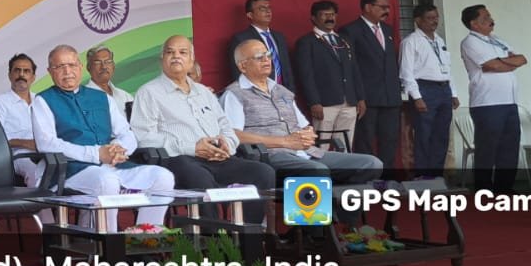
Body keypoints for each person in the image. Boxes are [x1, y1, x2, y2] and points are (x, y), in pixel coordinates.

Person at [131, 36, 276, 222]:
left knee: (263, 172)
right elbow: (143, 137)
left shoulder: (204, 92)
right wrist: (192, 147)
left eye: (183, 52)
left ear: (191, 60)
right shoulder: (148, 92)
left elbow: (226, 126)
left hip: (218, 158)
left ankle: (247, 233)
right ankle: (211, 235)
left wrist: (226, 145)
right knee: (198, 176)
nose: (176, 56)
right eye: (170, 52)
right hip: (180, 159)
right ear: (162, 59)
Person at [33, 44, 175, 229]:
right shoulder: (43, 100)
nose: (67, 72)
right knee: (107, 181)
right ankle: (108, 241)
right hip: (71, 170)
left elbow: (126, 133)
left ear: (80, 67)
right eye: (60, 66)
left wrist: (118, 150)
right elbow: (47, 143)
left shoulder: (102, 98)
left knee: (163, 177)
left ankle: (144, 236)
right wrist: (96, 154)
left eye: (72, 65)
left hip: (113, 166)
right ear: (50, 71)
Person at [219, 40, 383, 189]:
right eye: (258, 57)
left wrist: (308, 134)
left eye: (268, 55)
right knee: (316, 171)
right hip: (269, 156)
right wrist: (284, 142)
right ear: (243, 66)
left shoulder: (281, 91)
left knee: (371, 164)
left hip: (307, 153)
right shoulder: (234, 94)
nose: (266, 60)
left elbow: (304, 126)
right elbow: (233, 135)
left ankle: (341, 210)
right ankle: (313, 213)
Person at [460, 5, 527, 195]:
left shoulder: (497, 40)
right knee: (487, 148)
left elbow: (522, 59)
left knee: (510, 146)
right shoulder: (470, 42)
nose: (491, 20)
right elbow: (491, 65)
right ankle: (484, 190)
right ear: (474, 24)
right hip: (487, 103)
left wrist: (502, 61)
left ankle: (504, 188)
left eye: (490, 16)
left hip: (509, 101)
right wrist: (506, 62)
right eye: (486, 17)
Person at [341, 0, 403, 170]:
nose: (387, 11)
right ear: (368, 7)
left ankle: (387, 179)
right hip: (367, 97)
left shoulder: (387, 29)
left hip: (390, 96)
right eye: (382, 7)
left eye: (388, 7)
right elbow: (350, 67)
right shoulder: (350, 30)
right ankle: (368, 178)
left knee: (390, 140)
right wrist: (358, 96)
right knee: (365, 140)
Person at [292, 0, 363, 151]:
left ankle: (343, 167)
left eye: (332, 14)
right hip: (325, 103)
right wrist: (314, 102)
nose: (330, 18)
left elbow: (354, 70)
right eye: (325, 15)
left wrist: (360, 97)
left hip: (349, 101)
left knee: (345, 145)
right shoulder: (306, 42)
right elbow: (306, 75)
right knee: (321, 145)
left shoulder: (344, 40)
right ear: (313, 18)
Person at [400, 4, 459, 177]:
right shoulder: (411, 41)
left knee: (441, 135)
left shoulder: (439, 41)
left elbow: (447, 68)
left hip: (444, 89)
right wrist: (417, 97)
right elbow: (406, 72)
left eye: (436, 17)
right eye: (430, 18)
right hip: (424, 88)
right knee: (424, 134)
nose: (434, 21)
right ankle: (422, 175)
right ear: (418, 20)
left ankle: (436, 174)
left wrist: (453, 93)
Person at [0, 53, 46, 187]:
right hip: (18, 156)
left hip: (46, 151)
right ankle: (40, 202)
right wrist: (26, 143)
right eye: (17, 70)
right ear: (10, 75)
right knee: (36, 173)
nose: (21, 75)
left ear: (33, 77)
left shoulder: (41, 101)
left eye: (26, 71)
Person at [227, 0, 293, 89]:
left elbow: (287, 69)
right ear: (250, 15)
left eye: (269, 7)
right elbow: (238, 72)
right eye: (262, 9)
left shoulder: (279, 37)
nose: (268, 11)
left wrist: (291, 92)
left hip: (283, 92)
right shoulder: (241, 39)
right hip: (258, 92)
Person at [86, 46, 134, 119]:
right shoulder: (83, 98)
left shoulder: (125, 97)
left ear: (113, 66)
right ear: (88, 67)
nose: (104, 67)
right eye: (98, 62)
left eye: (108, 62)